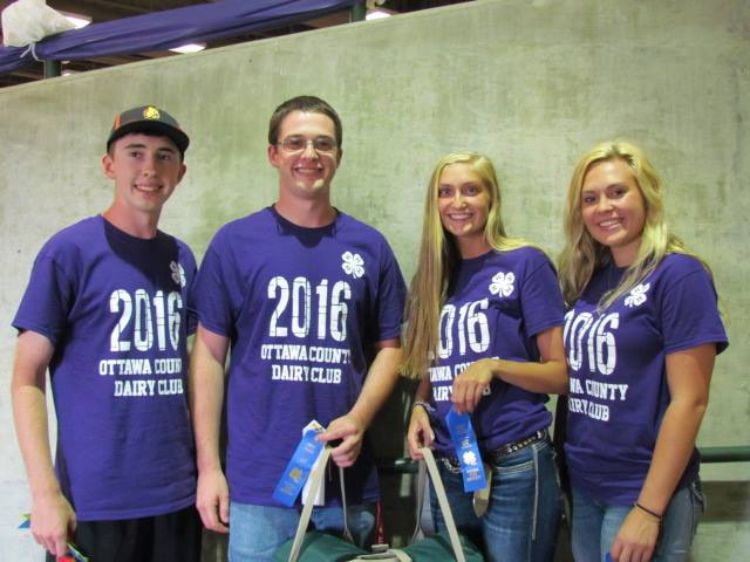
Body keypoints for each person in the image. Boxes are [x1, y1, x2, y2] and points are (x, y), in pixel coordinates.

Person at [190, 95, 406, 561]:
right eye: (295, 143)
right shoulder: (235, 243)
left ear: (339, 157)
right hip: (258, 489)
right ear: (273, 154)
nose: (310, 155)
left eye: (323, 144)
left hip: (347, 487)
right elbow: (208, 355)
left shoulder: (370, 247)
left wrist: (360, 418)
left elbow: (392, 348)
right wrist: (209, 468)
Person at [11, 105, 201, 561]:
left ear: (180, 172)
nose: (149, 169)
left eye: (164, 156)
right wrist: (44, 494)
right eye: (135, 153)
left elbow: (193, 373)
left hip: (175, 497)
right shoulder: (69, 253)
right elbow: (25, 378)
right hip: (94, 503)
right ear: (109, 165)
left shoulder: (183, 259)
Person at [558, 140, 728, 562]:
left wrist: (649, 509)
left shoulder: (679, 275)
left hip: (640, 492)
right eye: (591, 199)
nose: (604, 208)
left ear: (646, 195)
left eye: (618, 192)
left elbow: (691, 401)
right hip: (585, 485)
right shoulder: (591, 277)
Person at [403, 152, 567, 561]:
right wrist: (421, 405)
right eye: (446, 192)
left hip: (515, 463)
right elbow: (435, 363)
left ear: (491, 198)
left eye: (470, 190)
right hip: (449, 462)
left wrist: (494, 365)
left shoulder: (525, 263)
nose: (458, 202)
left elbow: (561, 375)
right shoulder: (433, 275)